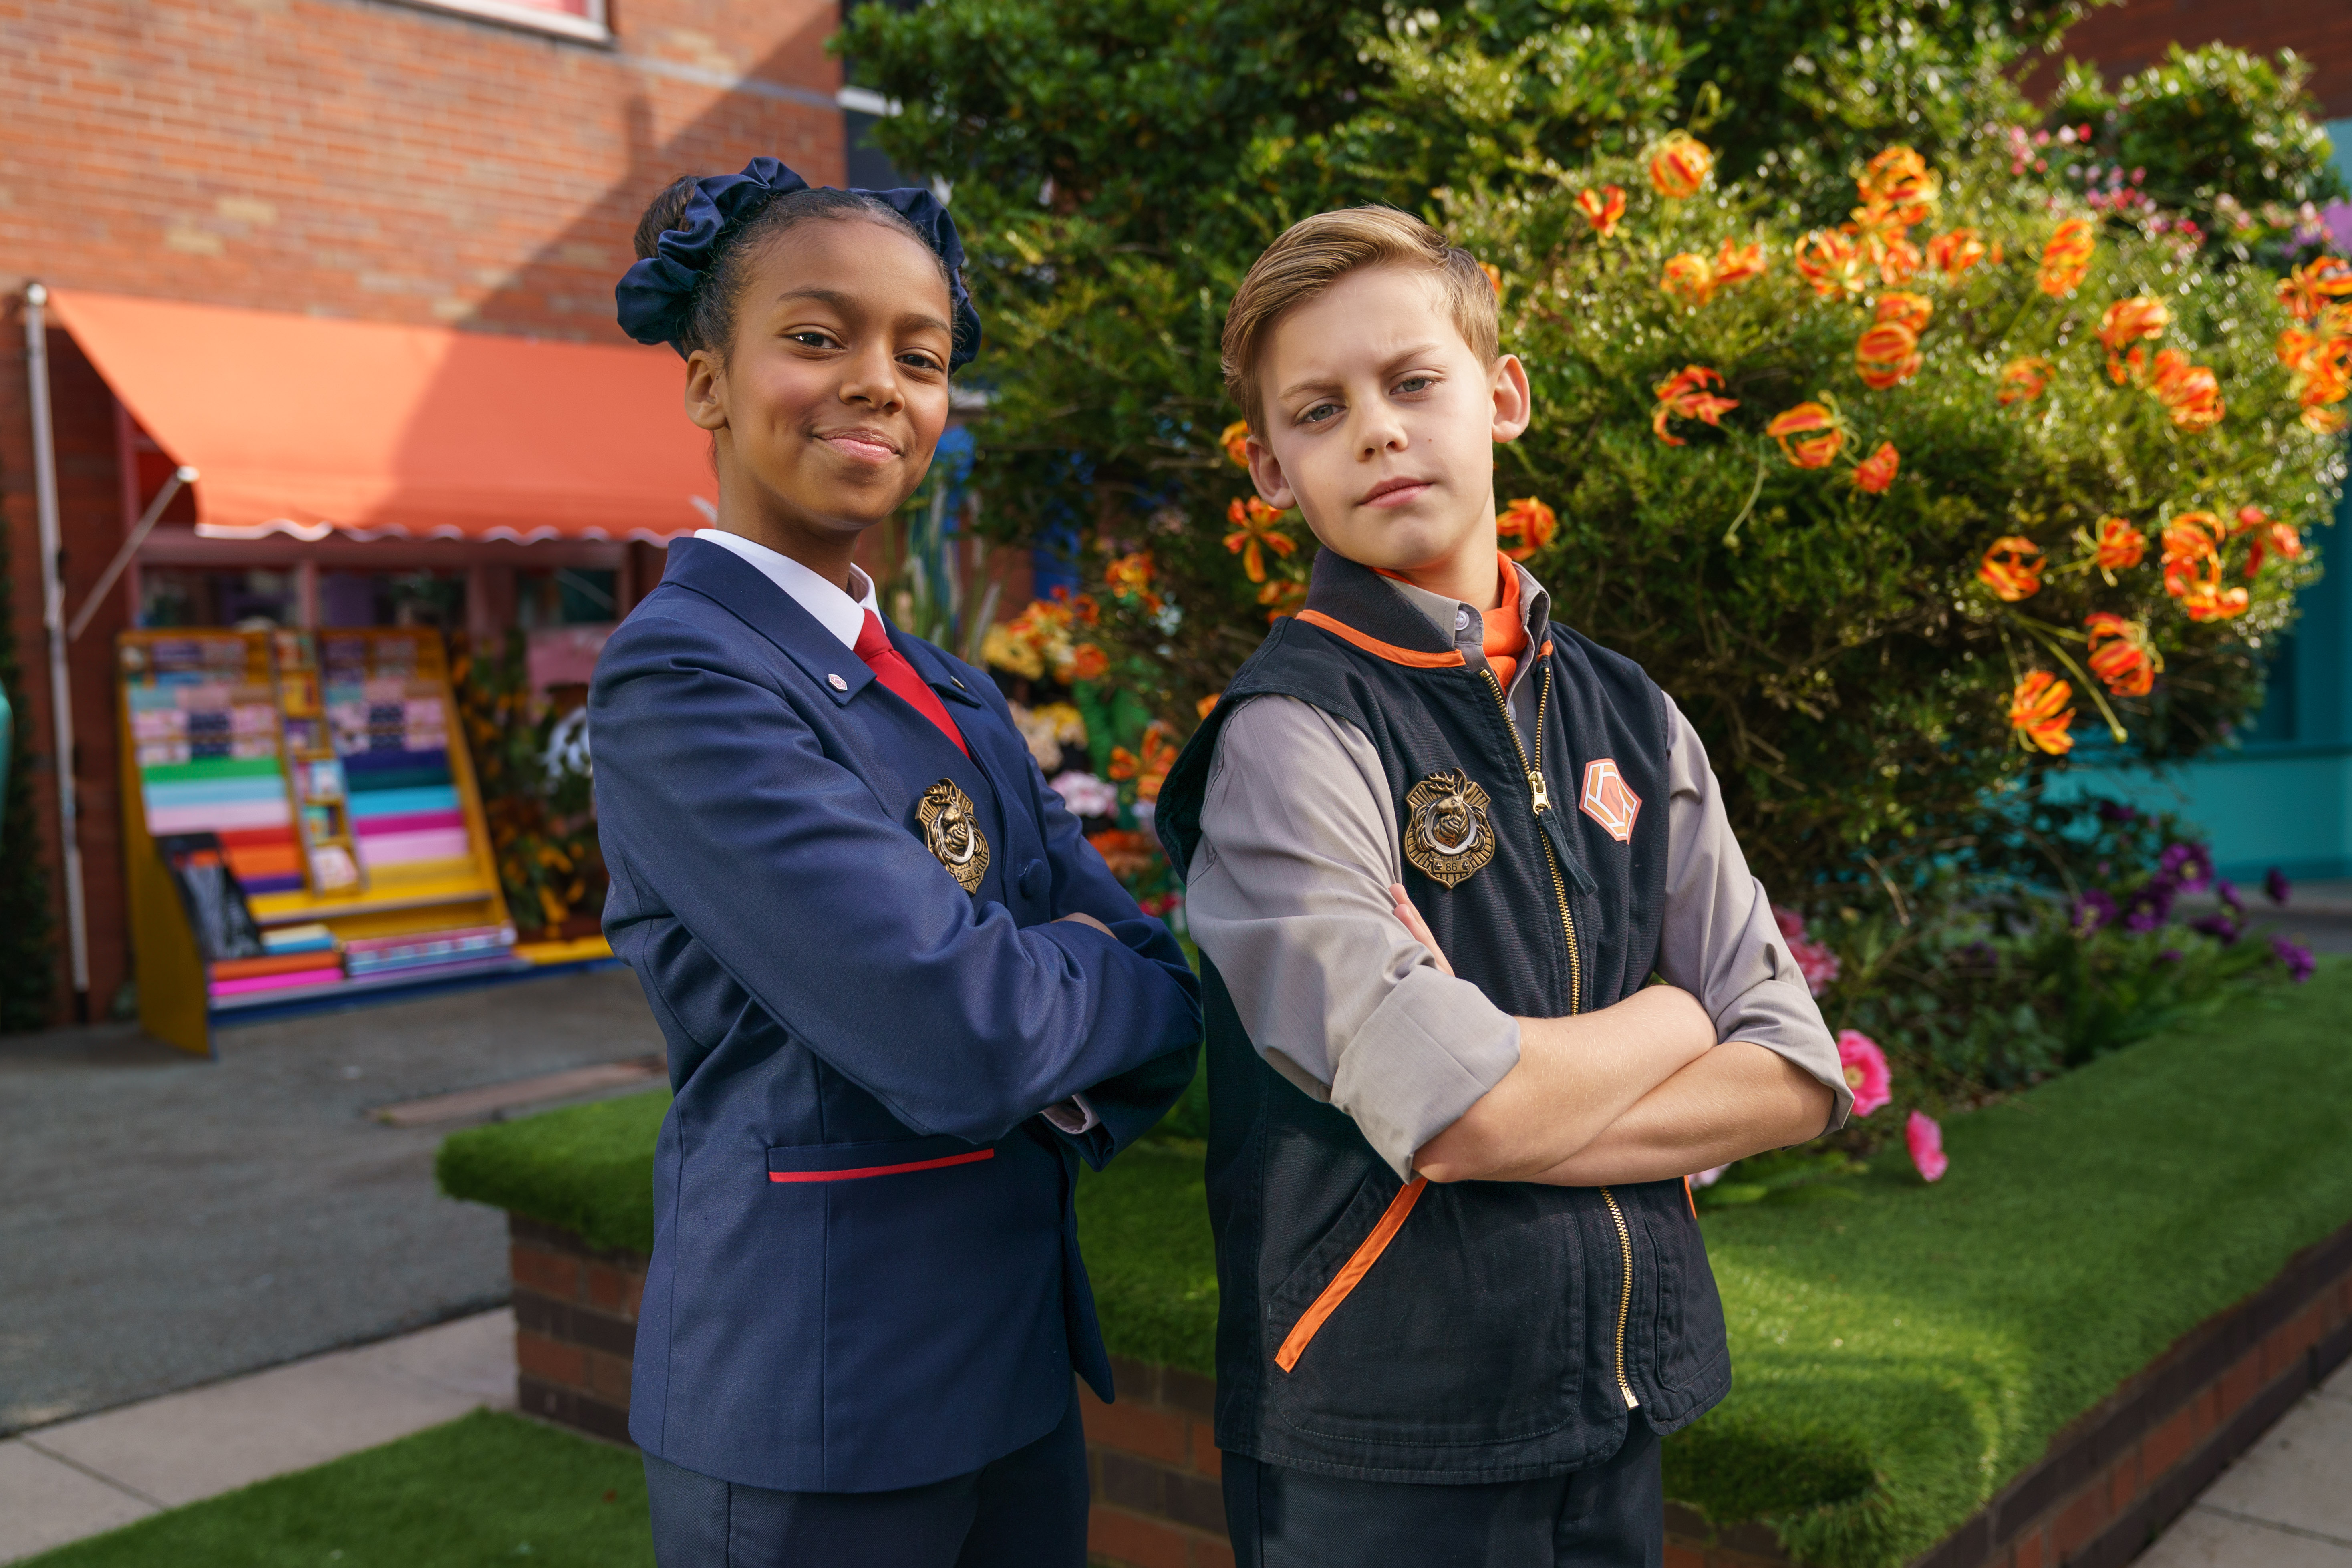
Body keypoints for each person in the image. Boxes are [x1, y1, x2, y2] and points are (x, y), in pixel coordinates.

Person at [1153, 206, 1853, 1567]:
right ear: (1268, 468)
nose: (1377, 428)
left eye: (1414, 381)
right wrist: (1675, 1016)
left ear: (1503, 395)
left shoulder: (1632, 715)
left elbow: (1798, 1070)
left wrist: (1515, 1090)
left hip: (1613, 1403)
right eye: (1318, 409)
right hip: (1382, 1429)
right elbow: (1460, 1113)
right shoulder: (1291, 736)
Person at [590, 158, 1203, 1568]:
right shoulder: (683, 676)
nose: (878, 382)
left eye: (918, 357)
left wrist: (1062, 995)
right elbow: (958, 1024)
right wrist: (1059, 998)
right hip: (820, 1397)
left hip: (1012, 1370)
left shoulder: (953, 687)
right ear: (708, 385)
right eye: (817, 339)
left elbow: (1164, 983)